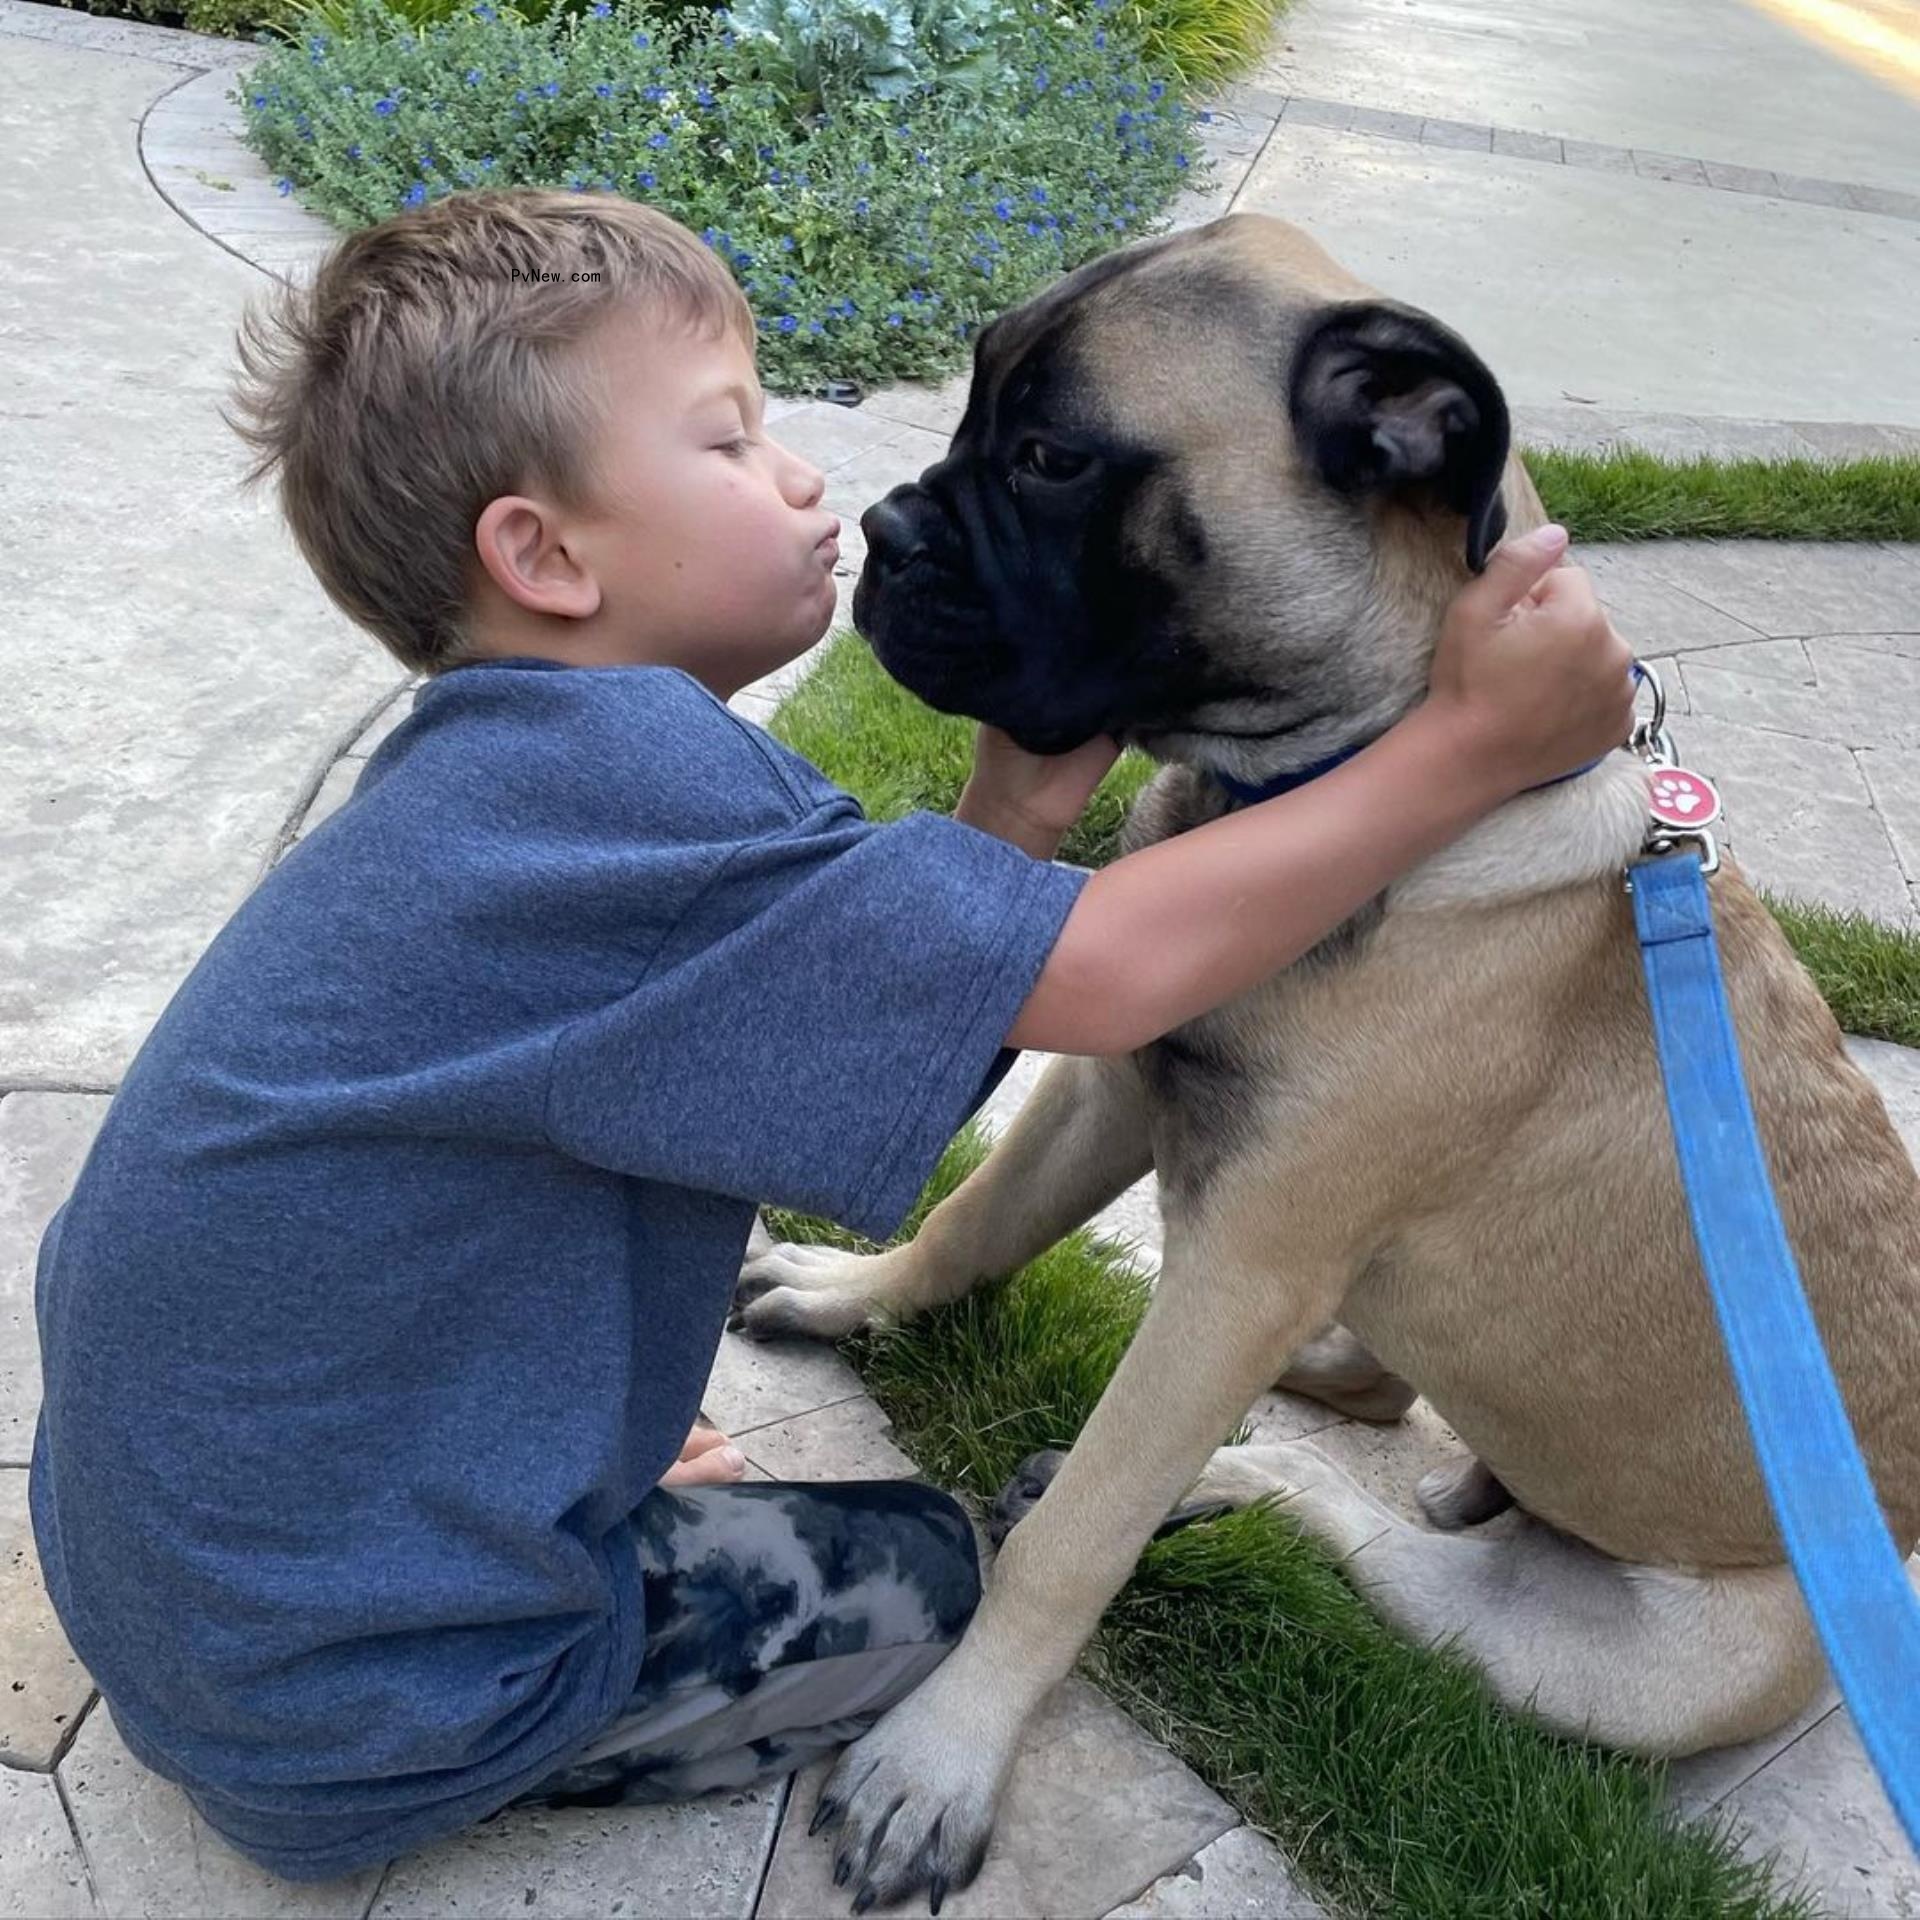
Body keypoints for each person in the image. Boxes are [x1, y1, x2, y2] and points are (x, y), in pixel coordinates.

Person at [29, 189, 1635, 1883]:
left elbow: (892, 1038)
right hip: (357, 1706)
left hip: (177, 1565)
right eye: (731, 443)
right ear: (544, 556)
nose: (813, 482)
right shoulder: (654, 813)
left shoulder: (495, 777)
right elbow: (1099, 980)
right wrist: (1462, 751)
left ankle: (446, 1539)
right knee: (926, 1571)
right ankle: (474, 1708)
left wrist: (1010, 805)